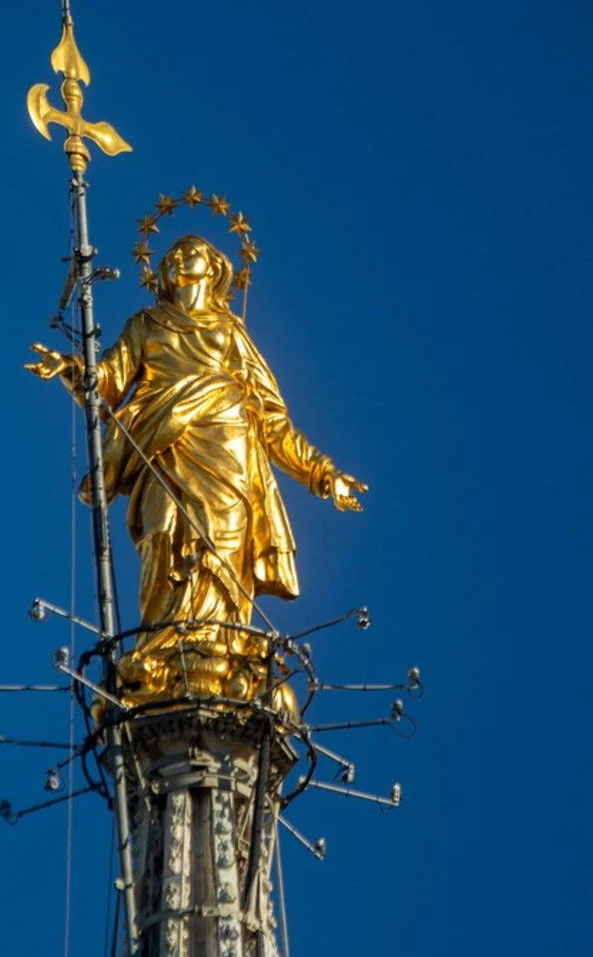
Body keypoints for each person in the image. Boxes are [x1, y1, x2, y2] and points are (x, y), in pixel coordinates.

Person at [27, 235, 366, 698]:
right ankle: (162, 641)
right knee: (162, 534)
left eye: (194, 252)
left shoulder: (230, 333)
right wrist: (70, 366)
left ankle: (219, 643)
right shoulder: (145, 325)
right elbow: (105, 384)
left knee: (222, 543)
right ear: (164, 273)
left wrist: (323, 474)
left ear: (215, 268)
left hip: (228, 454)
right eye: (174, 255)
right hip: (161, 448)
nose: (182, 256)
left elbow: (273, 421)